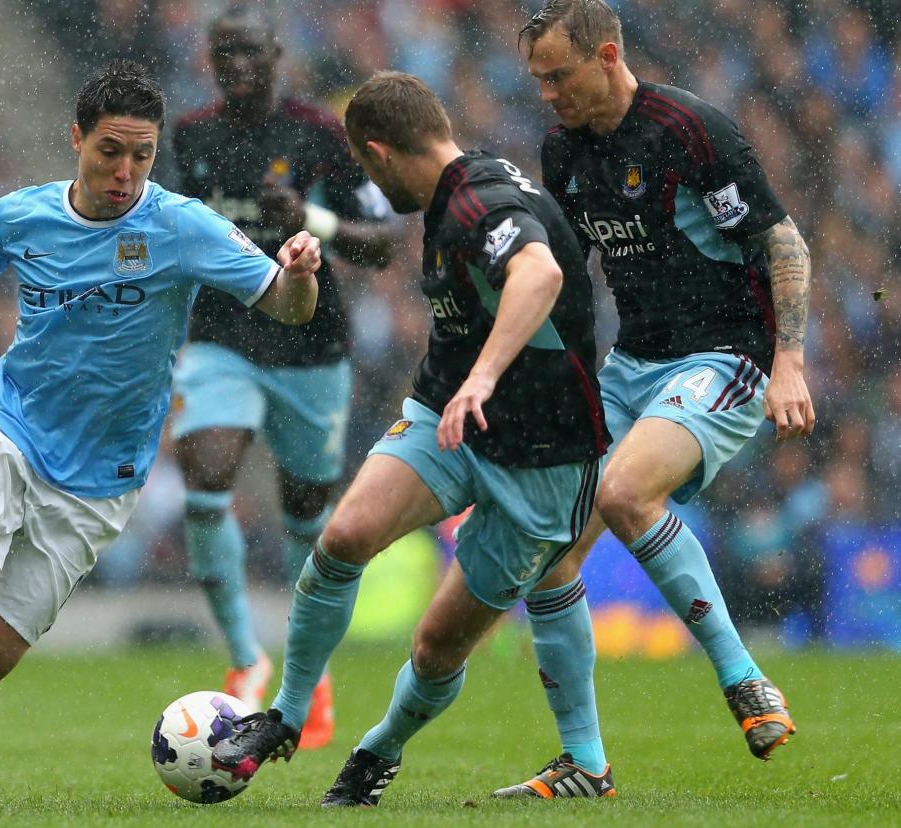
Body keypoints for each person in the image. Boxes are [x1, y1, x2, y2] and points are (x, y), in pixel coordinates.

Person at [0, 59, 323, 812]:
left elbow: (287, 308)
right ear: (76, 137)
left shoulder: (180, 225)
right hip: (8, 431)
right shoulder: (19, 217)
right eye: (111, 150)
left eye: (142, 154)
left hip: (97, 481)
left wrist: (300, 271)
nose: (125, 170)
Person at [210, 71, 612, 807]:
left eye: (366, 169)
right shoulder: (456, 192)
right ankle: (287, 717)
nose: (369, 182)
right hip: (447, 416)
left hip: (542, 454)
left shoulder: (477, 202)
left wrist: (485, 376)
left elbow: (541, 271)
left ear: (381, 151)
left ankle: (378, 751)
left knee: (437, 645)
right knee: (344, 537)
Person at [491, 0, 815, 799]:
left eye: (558, 76)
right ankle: (586, 765)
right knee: (550, 555)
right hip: (631, 364)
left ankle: (742, 678)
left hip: (725, 355)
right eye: (536, 80)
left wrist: (791, 360)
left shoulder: (690, 129)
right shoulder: (562, 150)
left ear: (606, 55)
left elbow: (781, 238)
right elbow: (562, 272)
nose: (547, 93)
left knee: (626, 490)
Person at [169, 5, 397, 746]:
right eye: (223, 54)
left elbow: (384, 243)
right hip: (222, 336)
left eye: (249, 52)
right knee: (205, 467)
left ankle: (312, 673)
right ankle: (243, 659)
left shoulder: (320, 136)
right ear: (210, 61)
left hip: (310, 347)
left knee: (307, 515)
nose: (236, 65)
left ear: (277, 55)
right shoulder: (191, 136)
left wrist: (311, 219)